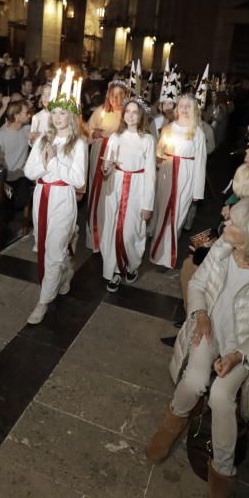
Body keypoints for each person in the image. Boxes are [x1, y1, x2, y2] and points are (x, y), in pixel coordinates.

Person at [146, 199, 249, 498]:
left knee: (222, 396)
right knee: (195, 380)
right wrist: (199, 314)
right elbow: (197, 283)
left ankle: (223, 473)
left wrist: (238, 355)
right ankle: (173, 423)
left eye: (235, 224)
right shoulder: (223, 249)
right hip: (207, 331)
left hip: (242, 349)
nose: (226, 227)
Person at [23, 96, 87, 325]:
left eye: (63, 113)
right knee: (43, 245)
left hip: (62, 198)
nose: (58, 117)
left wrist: (54, 163)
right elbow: (29, 172)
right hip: (41, 196)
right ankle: (66, 271)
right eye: (55, 113)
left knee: (53, 250)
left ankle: (43, 302)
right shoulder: (42, 139)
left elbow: (78, 179)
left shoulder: (78, 143)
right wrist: (44, 161)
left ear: (71, 116)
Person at [98, 98, 156, 291]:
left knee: (131, 230)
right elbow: (107, 166)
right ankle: (114, 270)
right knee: (114, 229)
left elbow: (150, 174)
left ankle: (131, 264)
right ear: (123, 115)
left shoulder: (147, 140)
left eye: (135, 112)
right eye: (128, 111)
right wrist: (106, 167)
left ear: (140, 116)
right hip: (116, 187)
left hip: (137, 188)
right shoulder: (116, 137)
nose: (130, 115)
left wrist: (148, 204)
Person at [150, 94, 207, 268]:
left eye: (188, 106)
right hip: (167, 173)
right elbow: (159, 152)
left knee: (177, 217)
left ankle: (167, 256)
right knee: (164, 214)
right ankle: (159, 252)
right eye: (181, 105)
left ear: (194, 110)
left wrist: (197, 191)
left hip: (186, 176)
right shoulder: (169, 128)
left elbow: (200, 162)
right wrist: (160, 158)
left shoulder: (197, 132)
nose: (183, 109)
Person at [86, 80, 127, 251]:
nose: (116, 99)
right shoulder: (100, 112)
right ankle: (94, 237)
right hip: (99, 156)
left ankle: (110, 237)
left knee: (111, 196)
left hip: (117, 158)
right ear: (108, 96)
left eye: (119, 95)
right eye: (112, 95)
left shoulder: (128, 114)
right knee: (96, 195)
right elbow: (87, 130)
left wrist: (108, 134)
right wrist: (94, 133)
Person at [0, 100, 33, 218]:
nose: (29, 115)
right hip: (6, 179)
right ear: (16, 115)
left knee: (21, 198)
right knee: (5, 208)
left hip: (22, 177)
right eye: (26, 113)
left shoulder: (26, 130)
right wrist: (2, 182)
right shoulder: (0, 135)